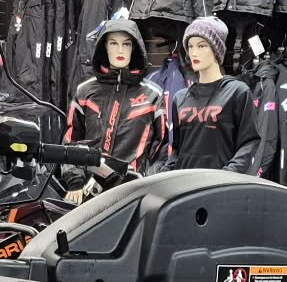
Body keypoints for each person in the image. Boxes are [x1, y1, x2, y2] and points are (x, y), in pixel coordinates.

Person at [63, 14, 166, 196]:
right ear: (104, 46)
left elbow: (163, 148)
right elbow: (71, 141)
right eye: (113, 43)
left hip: (132, 190)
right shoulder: (85, 92)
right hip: (88, 190)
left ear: (134, 47)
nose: (120, 50)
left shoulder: (152, 95)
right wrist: (75, 180)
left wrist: (146, 181)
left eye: (126, 44)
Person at [167, 15, 260, 175]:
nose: (194, 53)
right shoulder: (180, 98)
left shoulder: (237, 92)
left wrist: (226, 175)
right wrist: (164, 175)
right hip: (185, 183)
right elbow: (176, 149)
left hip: (220, 184)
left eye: (202, 46)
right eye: (190, 46)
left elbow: (249, 143)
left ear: (216, 49)